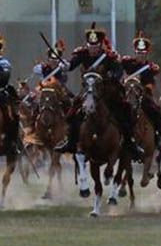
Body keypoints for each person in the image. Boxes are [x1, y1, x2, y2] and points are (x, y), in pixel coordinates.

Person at [54, 25, 144, 161]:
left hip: (107, 92)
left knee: (125, 111)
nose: (92, 48)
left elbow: (118, 69)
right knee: (72, 114)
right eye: (90, 45)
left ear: (100, 44)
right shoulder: (82, 54)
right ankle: (70, 141)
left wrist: (113, 74)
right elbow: (72, 65)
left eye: (95, 46)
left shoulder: (108, 56)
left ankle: (130, 142)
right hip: (87, 91)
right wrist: (65, 66)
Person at [120, 31, 161, 150]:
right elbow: (119, 68)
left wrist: (145, 88)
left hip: (143, 95)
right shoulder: (127, 62)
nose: (140, 56)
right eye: (138, 53)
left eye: (143, 54)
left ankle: (159, 134)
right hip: (128, 92)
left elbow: (151, 82)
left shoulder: (150, 67)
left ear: (146, 54)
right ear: (135, 53)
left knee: (155, 110)